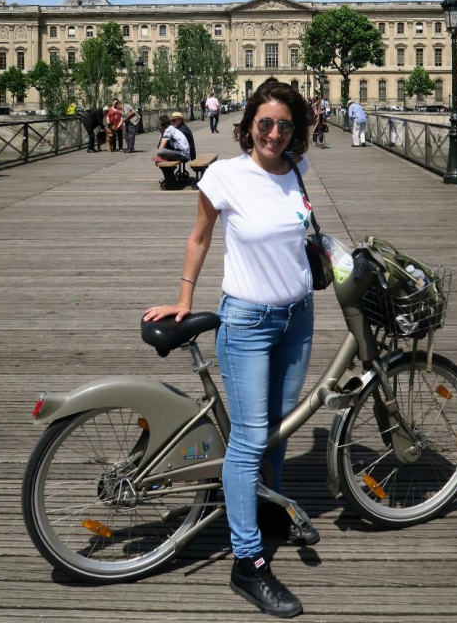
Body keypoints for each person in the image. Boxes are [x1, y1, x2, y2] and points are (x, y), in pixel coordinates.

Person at [144, 81, 315, 618]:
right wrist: (183, 297)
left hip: (299, 318)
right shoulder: (224, 175)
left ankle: (266, 514)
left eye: (285, 124)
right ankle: (247, 563)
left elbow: (302, 237)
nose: (274, 133)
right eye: (265, 123)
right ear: (248, 126)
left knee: (280, 428)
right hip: (248, 321)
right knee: (248, 439)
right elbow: (200, 237)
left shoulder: (298, 172)